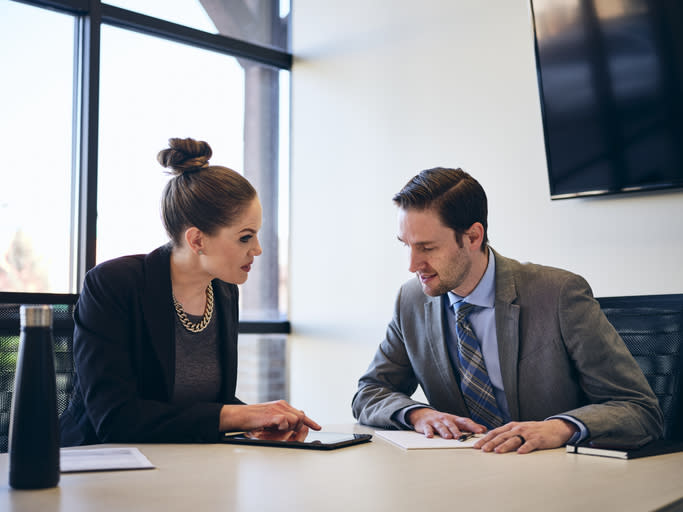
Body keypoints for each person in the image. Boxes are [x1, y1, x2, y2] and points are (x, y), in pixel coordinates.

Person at [351, 167, 663, 454]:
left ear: (473, 236)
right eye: (406, 245)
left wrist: (560, 428)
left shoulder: (558, 295)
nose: (411, 265)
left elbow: (638, 408)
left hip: (556, 480)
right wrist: (418, 414)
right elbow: (370, 392)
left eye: (427, 247)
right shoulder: (411, 301)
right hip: (460, 478)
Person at [60, 137, 320, 446]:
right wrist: (241, 416)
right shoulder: (113, 285)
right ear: (197, 240)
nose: (258, 249)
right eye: (245, 237)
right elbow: (116, 420)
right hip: (101, 466)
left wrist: (259, 421)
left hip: (189, 464)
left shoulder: (223, 291)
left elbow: (204, 405)